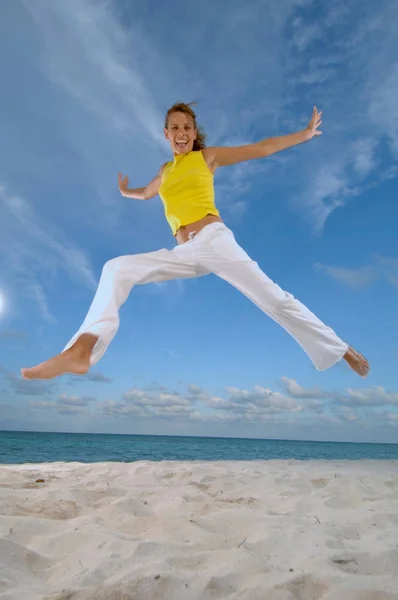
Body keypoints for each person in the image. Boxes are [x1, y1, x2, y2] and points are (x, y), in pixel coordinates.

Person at [21, 102, 369, 381]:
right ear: (166, 134)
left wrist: (304, 135)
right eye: (175, 127)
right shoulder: (166, 171)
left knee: (274, 300)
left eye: (187, 127)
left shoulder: (206, 158)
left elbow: (260, 149)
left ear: (194, 133)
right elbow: (146, 194)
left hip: (215, 240)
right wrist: (126, 191)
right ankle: (82, 350)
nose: (182, 132)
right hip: (185, 252)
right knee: (117, 268)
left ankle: (341, 349)